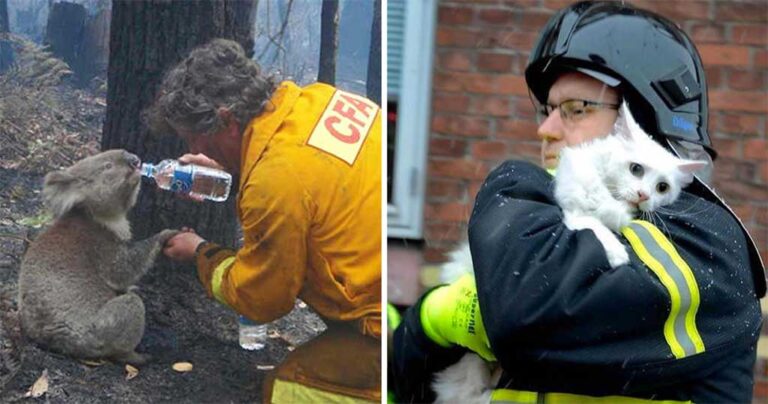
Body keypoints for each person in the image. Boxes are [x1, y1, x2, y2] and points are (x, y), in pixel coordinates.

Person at [391, 2, 766, 403]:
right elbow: (402, 379)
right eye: (547, 110)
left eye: (575, 109)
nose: (545, 130)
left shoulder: (705, 243)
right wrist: (429, 320)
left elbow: (528, 312)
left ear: (637, 123)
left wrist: (513, 183)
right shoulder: (546, 225)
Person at [145, 39, 382, 403]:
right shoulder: (318, 100)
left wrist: (201, 254)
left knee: (288, 390)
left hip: (404, 328)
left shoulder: (276, 180)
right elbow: (309, 189)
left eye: (195, 138)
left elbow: (263, 299)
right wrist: (235, 177)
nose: (195, 150)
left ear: (225, 120)